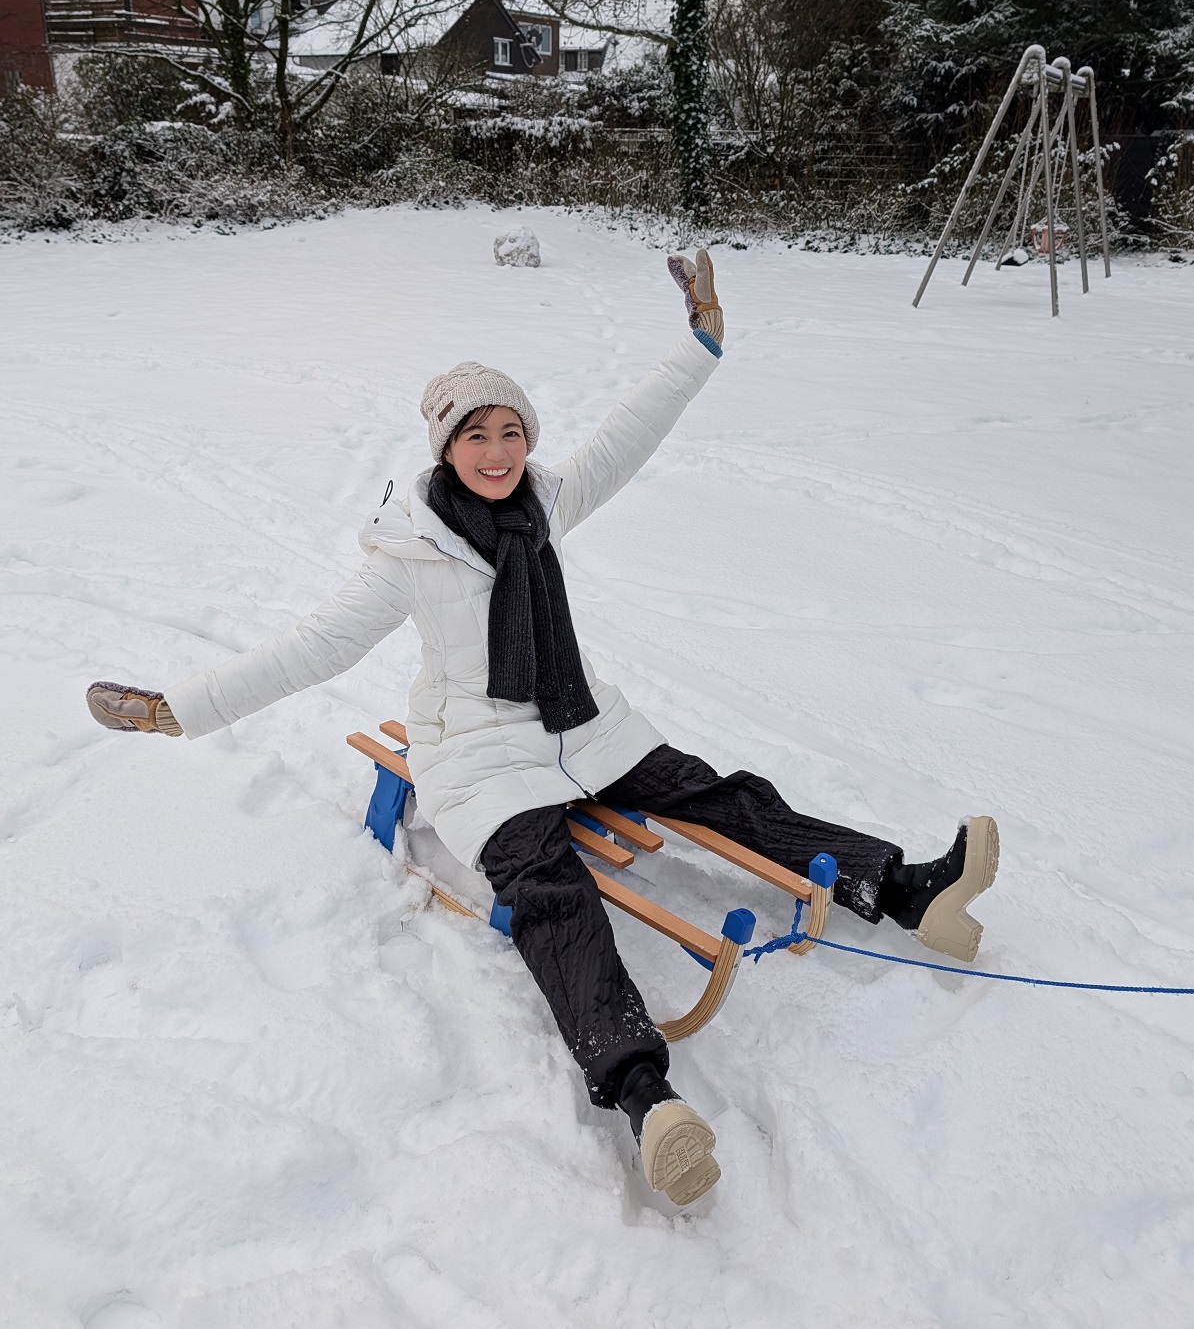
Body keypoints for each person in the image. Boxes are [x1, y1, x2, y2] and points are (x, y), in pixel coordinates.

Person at [86, 249, 999, 1209]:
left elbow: (628, 434)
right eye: (475, 434)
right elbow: (313, 648)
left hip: (583, 725)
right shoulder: (410, 554)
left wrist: (701, 344)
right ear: (444, 448)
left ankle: (904, 888)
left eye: (512, 430)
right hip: (481, 760)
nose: (497, 451)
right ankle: (649, 1102)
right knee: (552, 897)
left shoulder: (546, 502)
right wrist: (178, 710)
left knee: (724, 796)